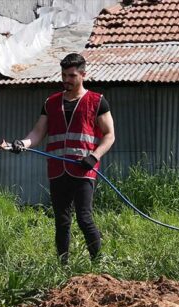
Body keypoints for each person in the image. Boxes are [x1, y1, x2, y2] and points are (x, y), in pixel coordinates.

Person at [9, 53, 115, 264]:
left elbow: (109, 135)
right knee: (62, 221)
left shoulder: (97, 101)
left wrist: (94, 157)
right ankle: (62, 267)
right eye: (64, 75)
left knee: (84, 219)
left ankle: (99, 266)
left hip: (84, 169)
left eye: (71, 75)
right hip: (58, 170)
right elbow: (37, 133)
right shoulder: (51, 103)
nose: (66, 80)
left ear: (83, 75)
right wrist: (23, 143)